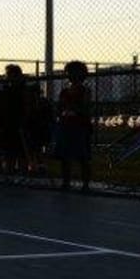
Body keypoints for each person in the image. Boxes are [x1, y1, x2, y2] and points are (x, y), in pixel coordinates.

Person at [54, 60, 93, 191]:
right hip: (66, 125)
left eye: (74, 73)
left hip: (80, 126)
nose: (71, 75)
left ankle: (85, 184)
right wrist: (62, 110)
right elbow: (59, 108)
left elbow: (85, 108)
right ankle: (66, 182)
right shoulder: (65, 91)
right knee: (65, 156)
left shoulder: (84, 90)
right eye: (69, 73)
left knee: (82, 156)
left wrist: (72, 107)